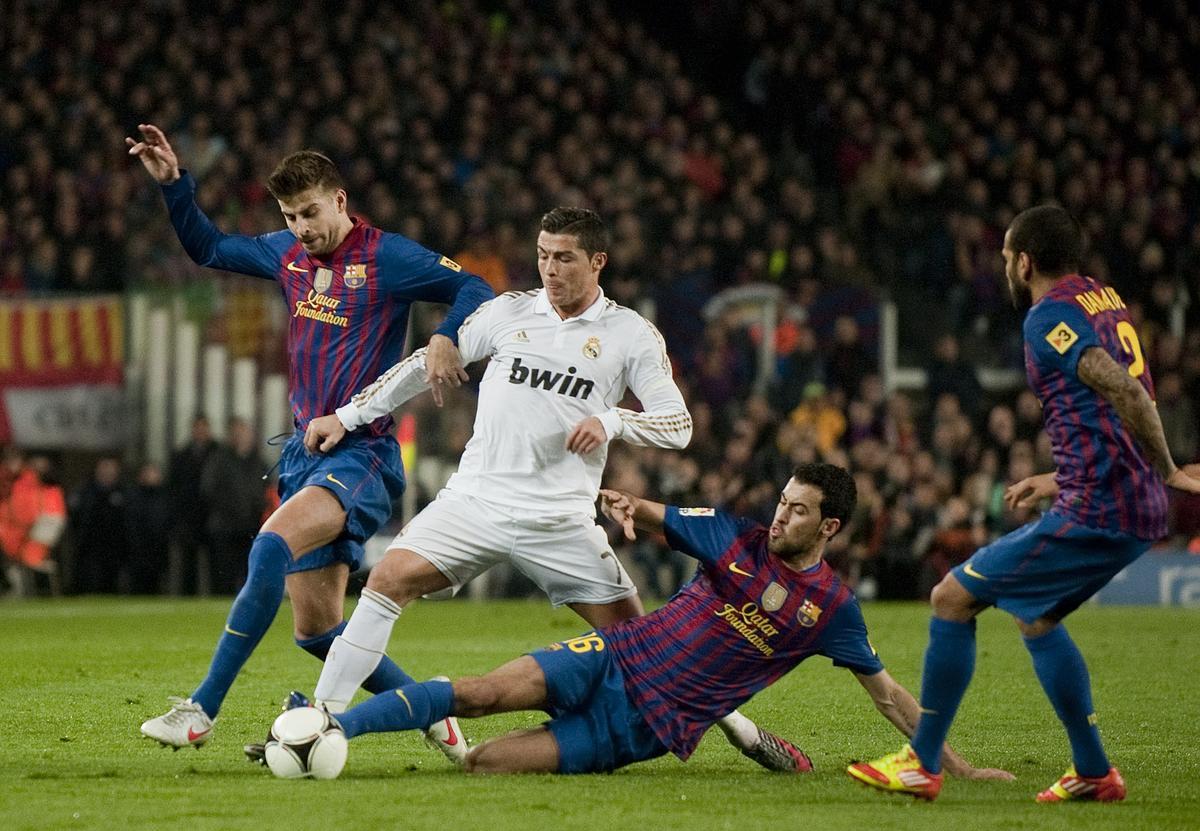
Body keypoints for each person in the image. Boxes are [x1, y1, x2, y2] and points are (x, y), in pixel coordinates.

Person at [299, 207, 804, 771]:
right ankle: (318, 725)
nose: (550, 268)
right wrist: (346, 416)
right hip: (476, 502)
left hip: (561, 520)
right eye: (543, 255)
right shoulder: (507, 313)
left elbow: (677, 424)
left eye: (564, 257)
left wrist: (612, 420)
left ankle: (740, 728)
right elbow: (423, 365)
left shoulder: (629, 333)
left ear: (597, 262)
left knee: (646, 644)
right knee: (388, 580)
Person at [126, 124, 494, 755]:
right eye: (291, 216)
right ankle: (430, 709)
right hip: (303, 452)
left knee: (269, 547)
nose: (302, 227)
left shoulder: (387, 257)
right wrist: (174, 188)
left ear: (341, 201)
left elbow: (474, 288)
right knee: (318, 630)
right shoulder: (288, 255)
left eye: (312, 212)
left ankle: (201, 712)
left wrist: (445, 334)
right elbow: (209, 248)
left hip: (364, 453)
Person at [279, 464, 1012, 778]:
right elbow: (654, 512)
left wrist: (955, 764)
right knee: (478, 691)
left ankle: (341, 729)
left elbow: (888, 695)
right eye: (784, 499)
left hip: (641, 727)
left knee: (484, 764)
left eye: (798, 509)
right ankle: (335, 726)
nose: (782, 513)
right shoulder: (736, 536)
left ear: (832, 527)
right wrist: (628, 508)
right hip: (609, 653)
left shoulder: (834, 611)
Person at [849, 205, 1200, 802]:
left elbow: (1121, 387)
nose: (1004, 265)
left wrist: (1169, 467)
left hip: (1103, 506)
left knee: (950, 597)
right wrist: (1058, 476)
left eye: (1007, 256)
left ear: (1025, 260)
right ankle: (1093, 772)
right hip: (1120, 497)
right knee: (1034, 617)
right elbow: (1109, 407)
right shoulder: (1101, 297)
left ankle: (921, 762)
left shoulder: (1048, 318)